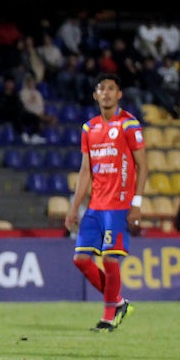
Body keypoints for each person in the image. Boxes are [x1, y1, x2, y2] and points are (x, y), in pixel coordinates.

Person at [65, 74, 146, 332]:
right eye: (102, 88)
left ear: (119, 94)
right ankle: (118, 301)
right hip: (95, 206)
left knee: (111, 260)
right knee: (81, 259)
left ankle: (108, 316)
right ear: (95, 95)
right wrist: (73, 207)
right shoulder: (89, 129)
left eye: (112, 88)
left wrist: (137, 203)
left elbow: (143, 167)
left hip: (119, 205)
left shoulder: (129, 124)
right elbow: (85, 171)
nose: (107, 93)